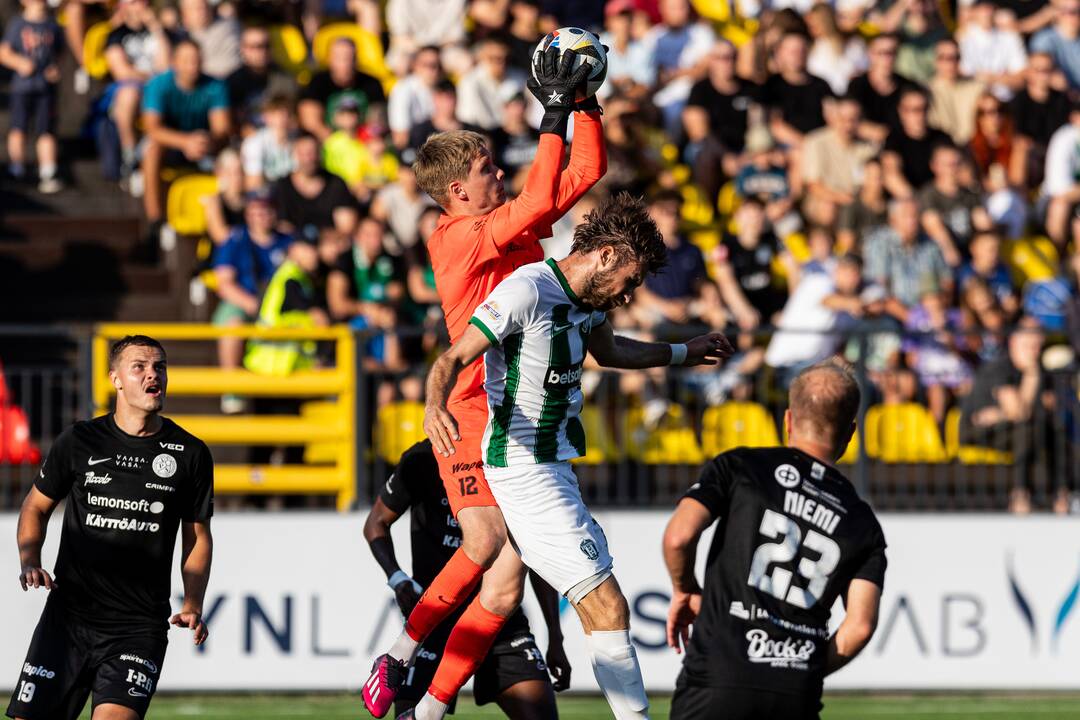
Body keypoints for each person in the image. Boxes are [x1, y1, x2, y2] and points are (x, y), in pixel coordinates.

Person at [420, 193, 733, 720]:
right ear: (607, 256)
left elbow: (610, 353)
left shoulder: (586, 304)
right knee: (608, 606)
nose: (629, 296)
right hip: (525, 470)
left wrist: (682, 352)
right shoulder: (527, 290)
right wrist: (434, 406)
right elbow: (451, 358)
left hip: (553, 469)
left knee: (499, 595)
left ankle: (425, 710)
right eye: (630, 282)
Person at [362, 46, 605, 719]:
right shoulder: (460, 236)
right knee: (485, 544)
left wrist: (583, 106)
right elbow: (537, 194)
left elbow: (587, 169)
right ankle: (400, 658)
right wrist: (551, 110)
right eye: (485, 169)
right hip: (471, 408)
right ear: (456, 194)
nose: (498, 172)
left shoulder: (510, 229)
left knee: (502, 585)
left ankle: (429, 711)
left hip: (515, 412)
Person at [662, 360, 887, 720]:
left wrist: (685, 587)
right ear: (851, 433)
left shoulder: (741, 467)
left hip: (717, 679)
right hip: (794, 694)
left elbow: (678, 537)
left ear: (788, 420)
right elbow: (859, 626)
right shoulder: (863, 521)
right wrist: (801, 671)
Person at [6, 334, 214, 720]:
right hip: (68, 620)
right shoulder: (79, 441)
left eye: (160, 367)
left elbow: (197, 536)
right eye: (140, 367)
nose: (153, 375)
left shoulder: (190, 453)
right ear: (115, 378)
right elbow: (35, 506)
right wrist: (29, 559)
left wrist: (193, 602)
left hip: (137, 628)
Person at [363, 440, 570, 719]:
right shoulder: (423, 459)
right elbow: (375, 523)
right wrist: (397, 579)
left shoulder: (510, 460)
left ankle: (402, 666)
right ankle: (400, 657)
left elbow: (536, 558)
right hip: (435, 620)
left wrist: (555, 638)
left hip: (498, 621)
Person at [140, 39, 232, 235]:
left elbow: (222, 129)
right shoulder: (158, 85)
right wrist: (185, 142)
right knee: (152, 150)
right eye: (187, 60)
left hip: (203, 144)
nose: (192, 66)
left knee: (231, 159)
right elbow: (152, 128)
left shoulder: (215, 86)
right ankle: (154, 219)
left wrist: (205, 142)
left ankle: (230, 214)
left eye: (196, 60)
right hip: (170, 144)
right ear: (174, 62)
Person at [104, 0, 173, 184]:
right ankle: (130, 156)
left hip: (157, 87)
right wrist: (151, 76)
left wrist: (156, 29)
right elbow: (121, 72)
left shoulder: (159, 34)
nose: (140, 7)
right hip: (132, 88)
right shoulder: (117, 35)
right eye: (133, 2)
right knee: (129, 95)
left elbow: (166, 67)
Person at [0, 0, 64, 193]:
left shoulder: (53, 25)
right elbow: (4, 53)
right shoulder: (17, 24)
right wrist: (20, 63)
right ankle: (16, 167)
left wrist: (55, 68)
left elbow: (59, 53)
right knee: (18, 127)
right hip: (22, 87)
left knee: (46, 130)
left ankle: (48, 170)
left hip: (45, 88)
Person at [271, 133, 359, 240]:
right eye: (304, 153)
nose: (309, 159)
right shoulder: (283, 186)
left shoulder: (336, 183)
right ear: (295, 154)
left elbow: (346, 228)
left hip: (332, 246)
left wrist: (324, 240)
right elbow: (282, 227)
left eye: (313, 152)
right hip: (294, 247)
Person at [298, 37, 386, 142]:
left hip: (362, 142)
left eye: (349, 58)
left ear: (356, 59)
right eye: (339, 58)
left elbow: (376, 120)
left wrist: (360, 140)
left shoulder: (372, 83)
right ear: (330, 59)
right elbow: (310, 122)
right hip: (328, 143)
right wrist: (335, 142)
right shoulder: (317, 82)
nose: (345, 64)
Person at [225, 25, 297, 133]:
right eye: (256, 46)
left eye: (266, 46)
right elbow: (228, 122)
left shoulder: (285, 79)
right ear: (243, 49)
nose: (262, 51)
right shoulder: (232, 82)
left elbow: (294, 118)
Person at [455, 35, 527, 131]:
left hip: (513, 133)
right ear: (482, 57)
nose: (502, 63)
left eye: (505, 58)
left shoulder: (519, 77)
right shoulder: (469, 82)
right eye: (494, 58)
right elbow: (468, 119)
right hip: (483, 134)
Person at [177, 0, 240, 79]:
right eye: (197, 8)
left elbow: (232, 64)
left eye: (206, 7)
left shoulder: (229, 27)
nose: (203, 11)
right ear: (184, 13)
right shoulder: (179, 35)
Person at [1030, 0, 1080, 91]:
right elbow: (1039, 71)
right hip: (1059, 98)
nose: (1076, 16)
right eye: (1071, 12)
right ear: (1057, 13)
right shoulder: (1044, 39)